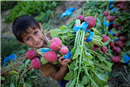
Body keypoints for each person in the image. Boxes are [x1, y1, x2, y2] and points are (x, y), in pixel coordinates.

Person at [12, 15, 71, 87]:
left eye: (35, 32)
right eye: (28, 39)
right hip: (67, 80)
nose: (35, 40)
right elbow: (57, 77)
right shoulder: (39, 60)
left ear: (40, 27)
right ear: (22, 42)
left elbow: (69, 38)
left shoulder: (52, 34)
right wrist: (64, 67)